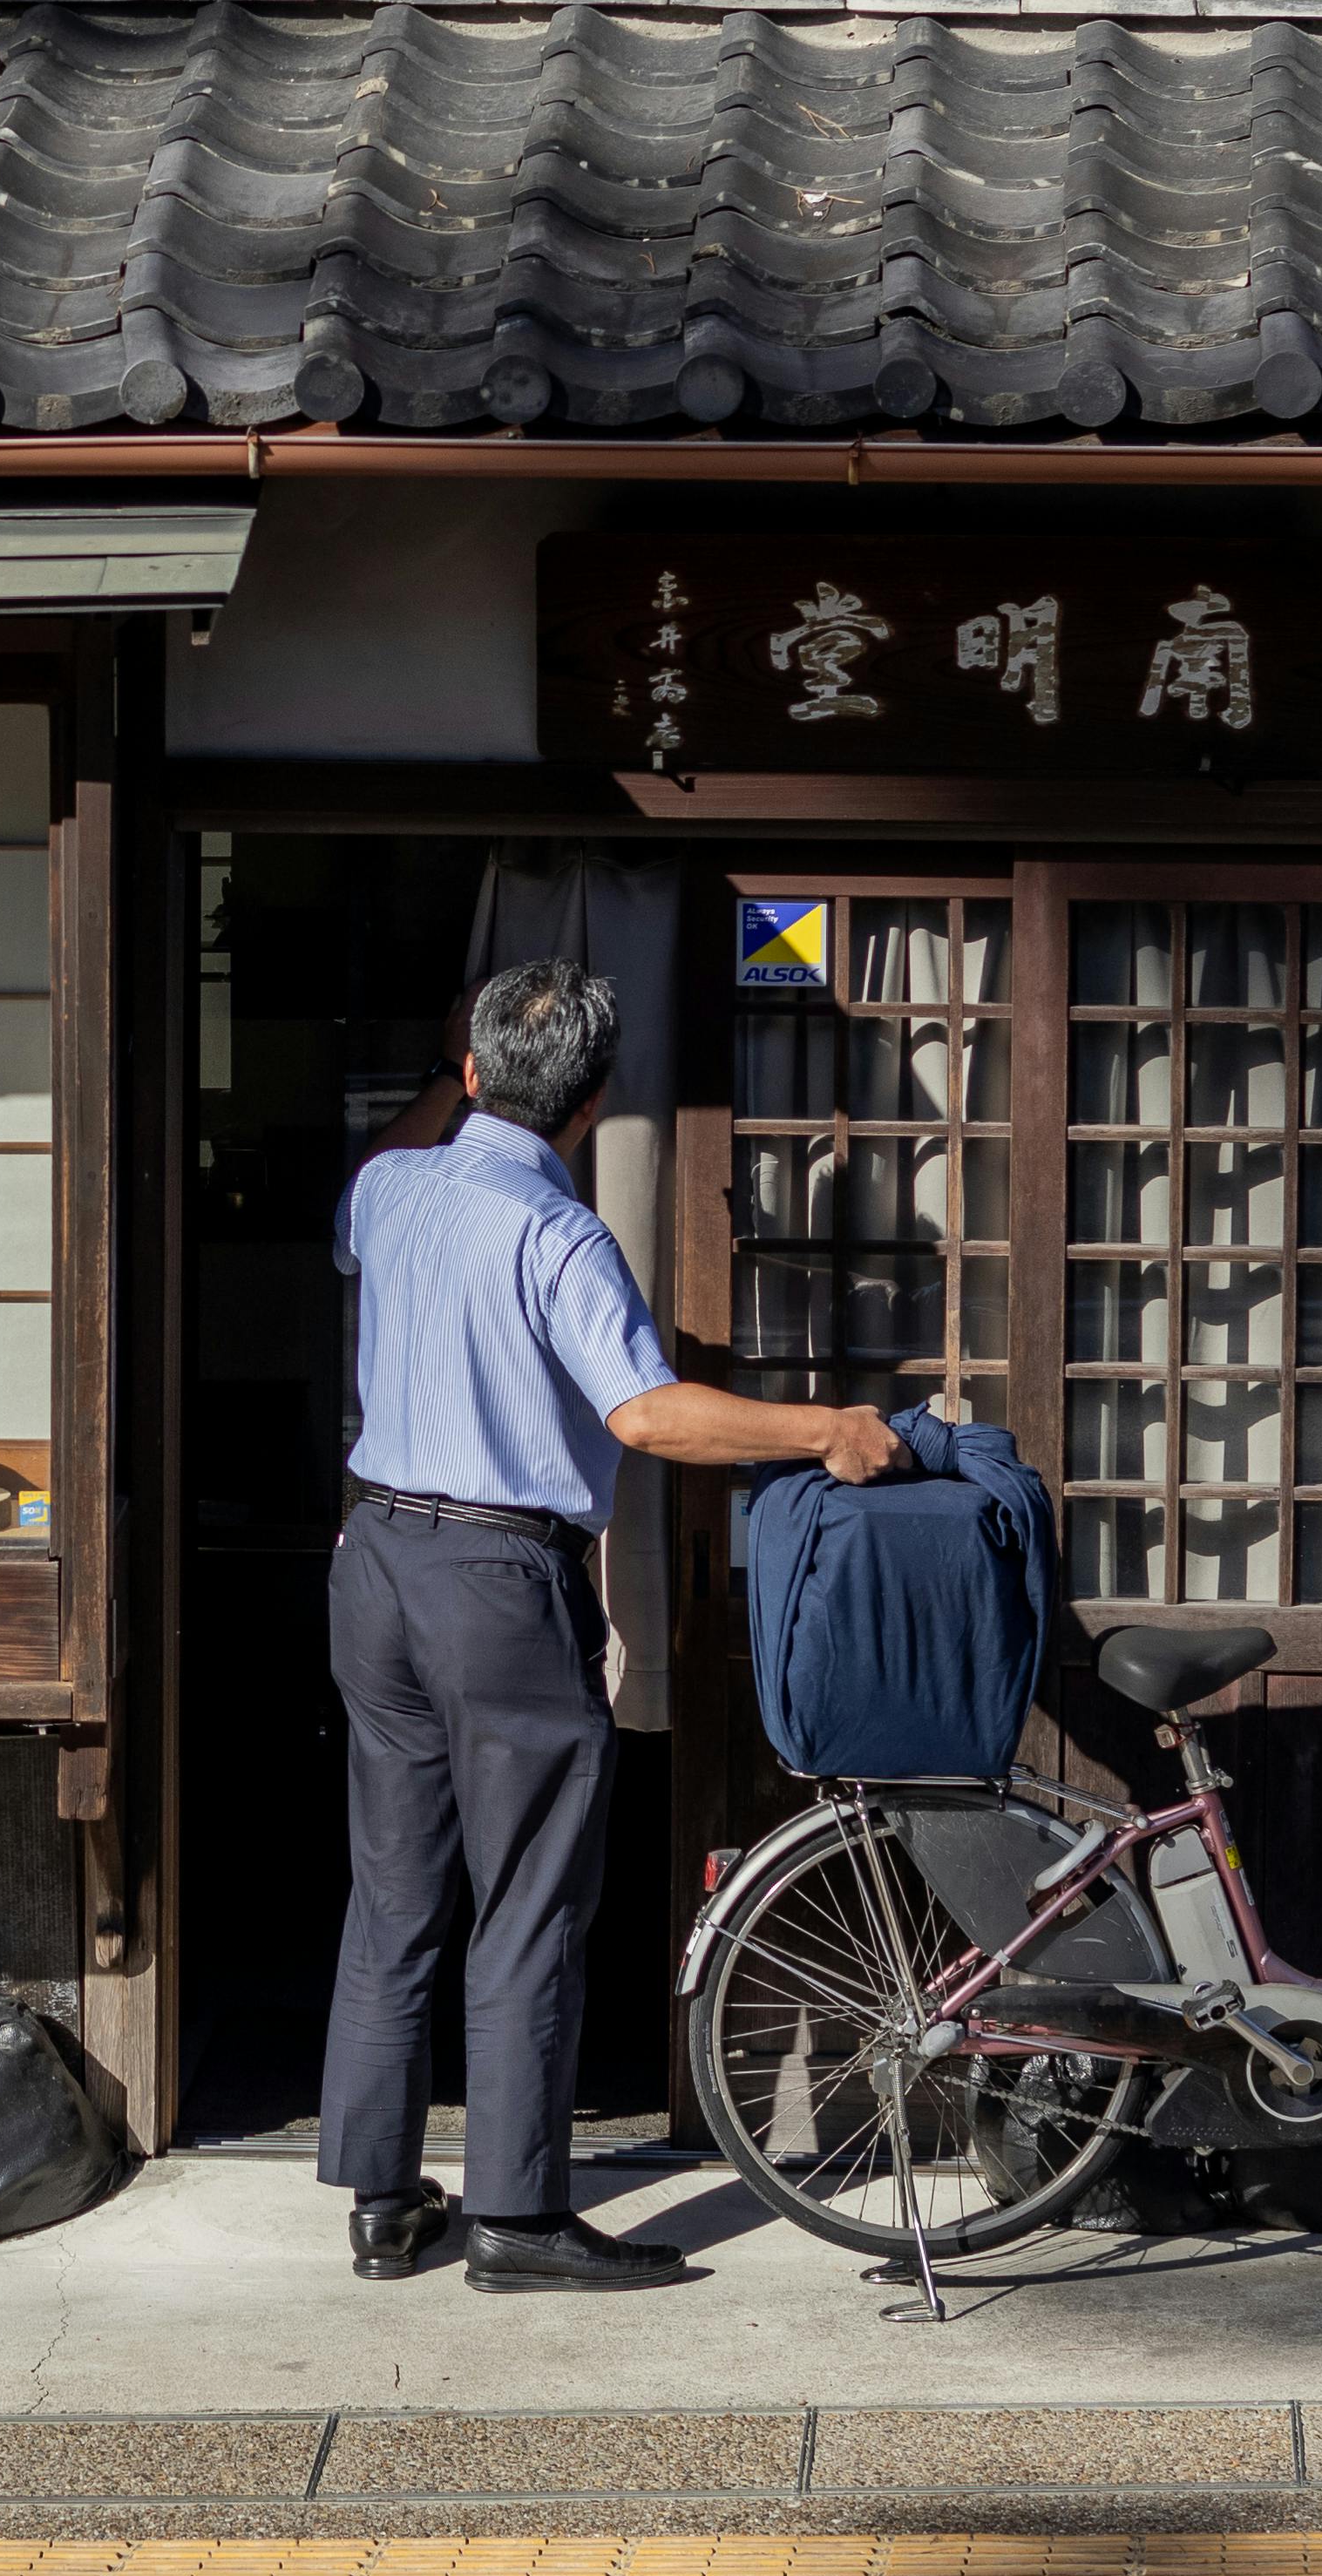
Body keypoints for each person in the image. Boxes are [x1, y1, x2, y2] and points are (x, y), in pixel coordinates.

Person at [325, 958, 917, 2293]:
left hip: (373, 1564)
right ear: (594, 1105)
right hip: (491, 1581)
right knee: (531, 1898)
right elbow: (646, 1416)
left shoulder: (392, 1189)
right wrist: (826, 1427)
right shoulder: (560, 1234)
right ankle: (519, 2223)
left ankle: (380, 2199)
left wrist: (450, 1086)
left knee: (395, 1883)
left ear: (469, 1074)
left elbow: (393, 1154)